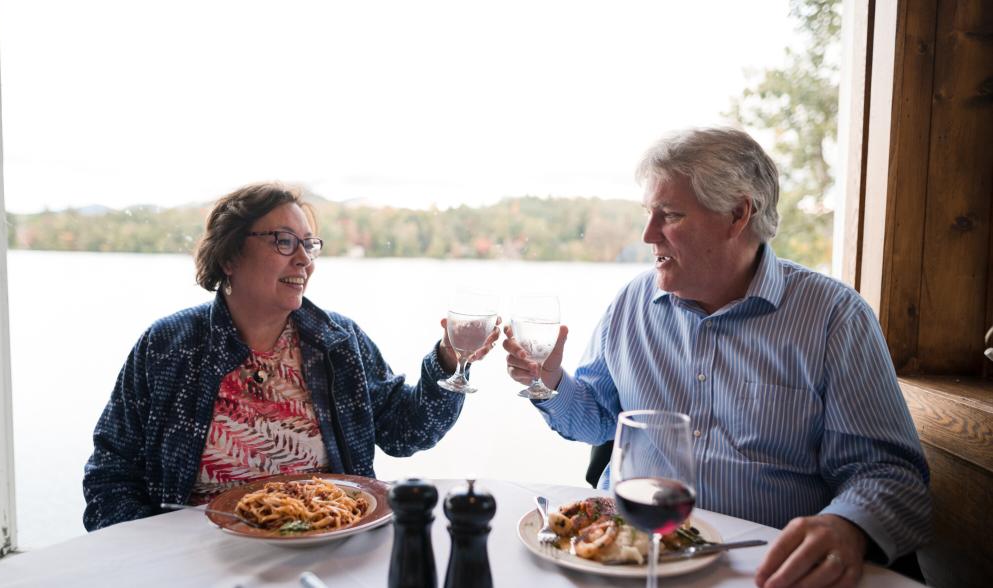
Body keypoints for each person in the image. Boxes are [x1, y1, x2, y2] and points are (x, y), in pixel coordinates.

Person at [503, 128, 931, 588]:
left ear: (737, 214)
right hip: (625, 557)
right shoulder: (631, 304)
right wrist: (549, 382)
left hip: (761, 571)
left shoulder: (834, 319)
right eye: (649, 214)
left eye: (669, 215)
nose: (648, 235)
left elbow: (889, 474)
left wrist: (848, 526)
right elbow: (595, 421)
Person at [83, 182, 499, 531]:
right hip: (200, 561)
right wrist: (151, 561)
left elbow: (405, 432)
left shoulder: (337, 342)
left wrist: (448, 360)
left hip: (328, 549)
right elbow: (110, 476)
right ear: (229, 256)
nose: (303, 260)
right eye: (284, 241)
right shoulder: (169, 346)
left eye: (309, 245)